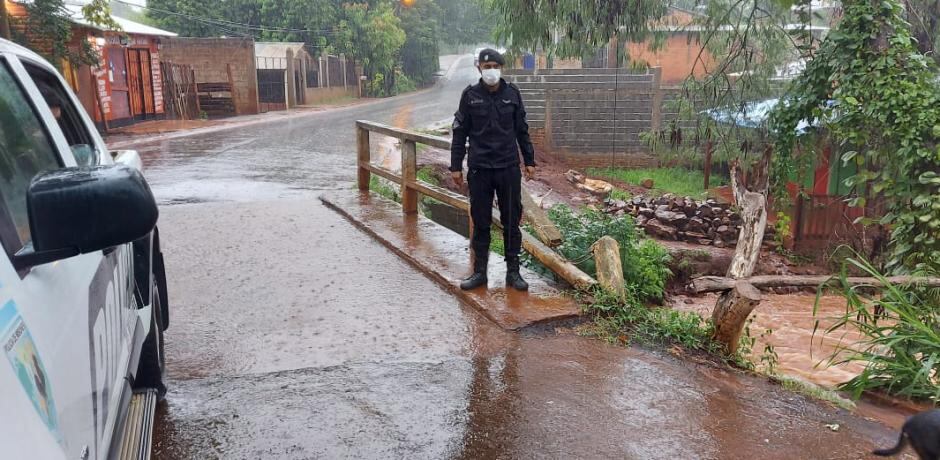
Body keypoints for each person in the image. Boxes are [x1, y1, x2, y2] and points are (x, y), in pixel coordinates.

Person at [450, 48, 536, 291]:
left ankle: (513, 272)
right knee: (481, 221)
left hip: (508, 167)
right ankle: (479, 273)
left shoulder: (512, 94)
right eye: (486, 67)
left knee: (511, 220)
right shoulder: (470, 96)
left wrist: (529, 161)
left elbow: (522, 130)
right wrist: (455, 166)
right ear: (479, 68)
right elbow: (459, 131)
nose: (491, 71)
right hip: (480, 170)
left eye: (495, 67)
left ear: (501, 68)